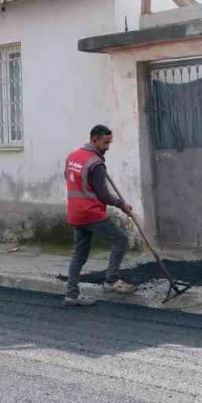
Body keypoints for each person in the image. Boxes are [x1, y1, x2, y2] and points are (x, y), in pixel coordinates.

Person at [63, 125, 137, 307]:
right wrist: (121, 205)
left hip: (75, 212)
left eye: (109, 143)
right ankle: (111, 282)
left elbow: (69, 177)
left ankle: (71, 294)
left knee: (79, 255)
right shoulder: (95, 164)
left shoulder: (72, 156)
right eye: (105, 143)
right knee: (121, 240)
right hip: (90, 212)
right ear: (94, 139)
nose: (108, 147)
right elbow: (103, 194)